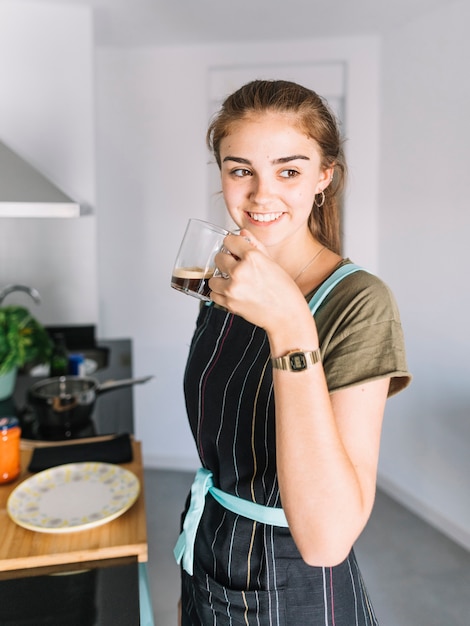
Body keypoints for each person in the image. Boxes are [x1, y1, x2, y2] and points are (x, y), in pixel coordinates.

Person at [174, 79, 411, 625]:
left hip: (291, 580)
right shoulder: (224, 278)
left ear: (323, 176)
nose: (261, 195)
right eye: (241, 170)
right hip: (208, 544)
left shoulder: (360, 302)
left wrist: (290, 326)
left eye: (289, 170)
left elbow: (328, 540)